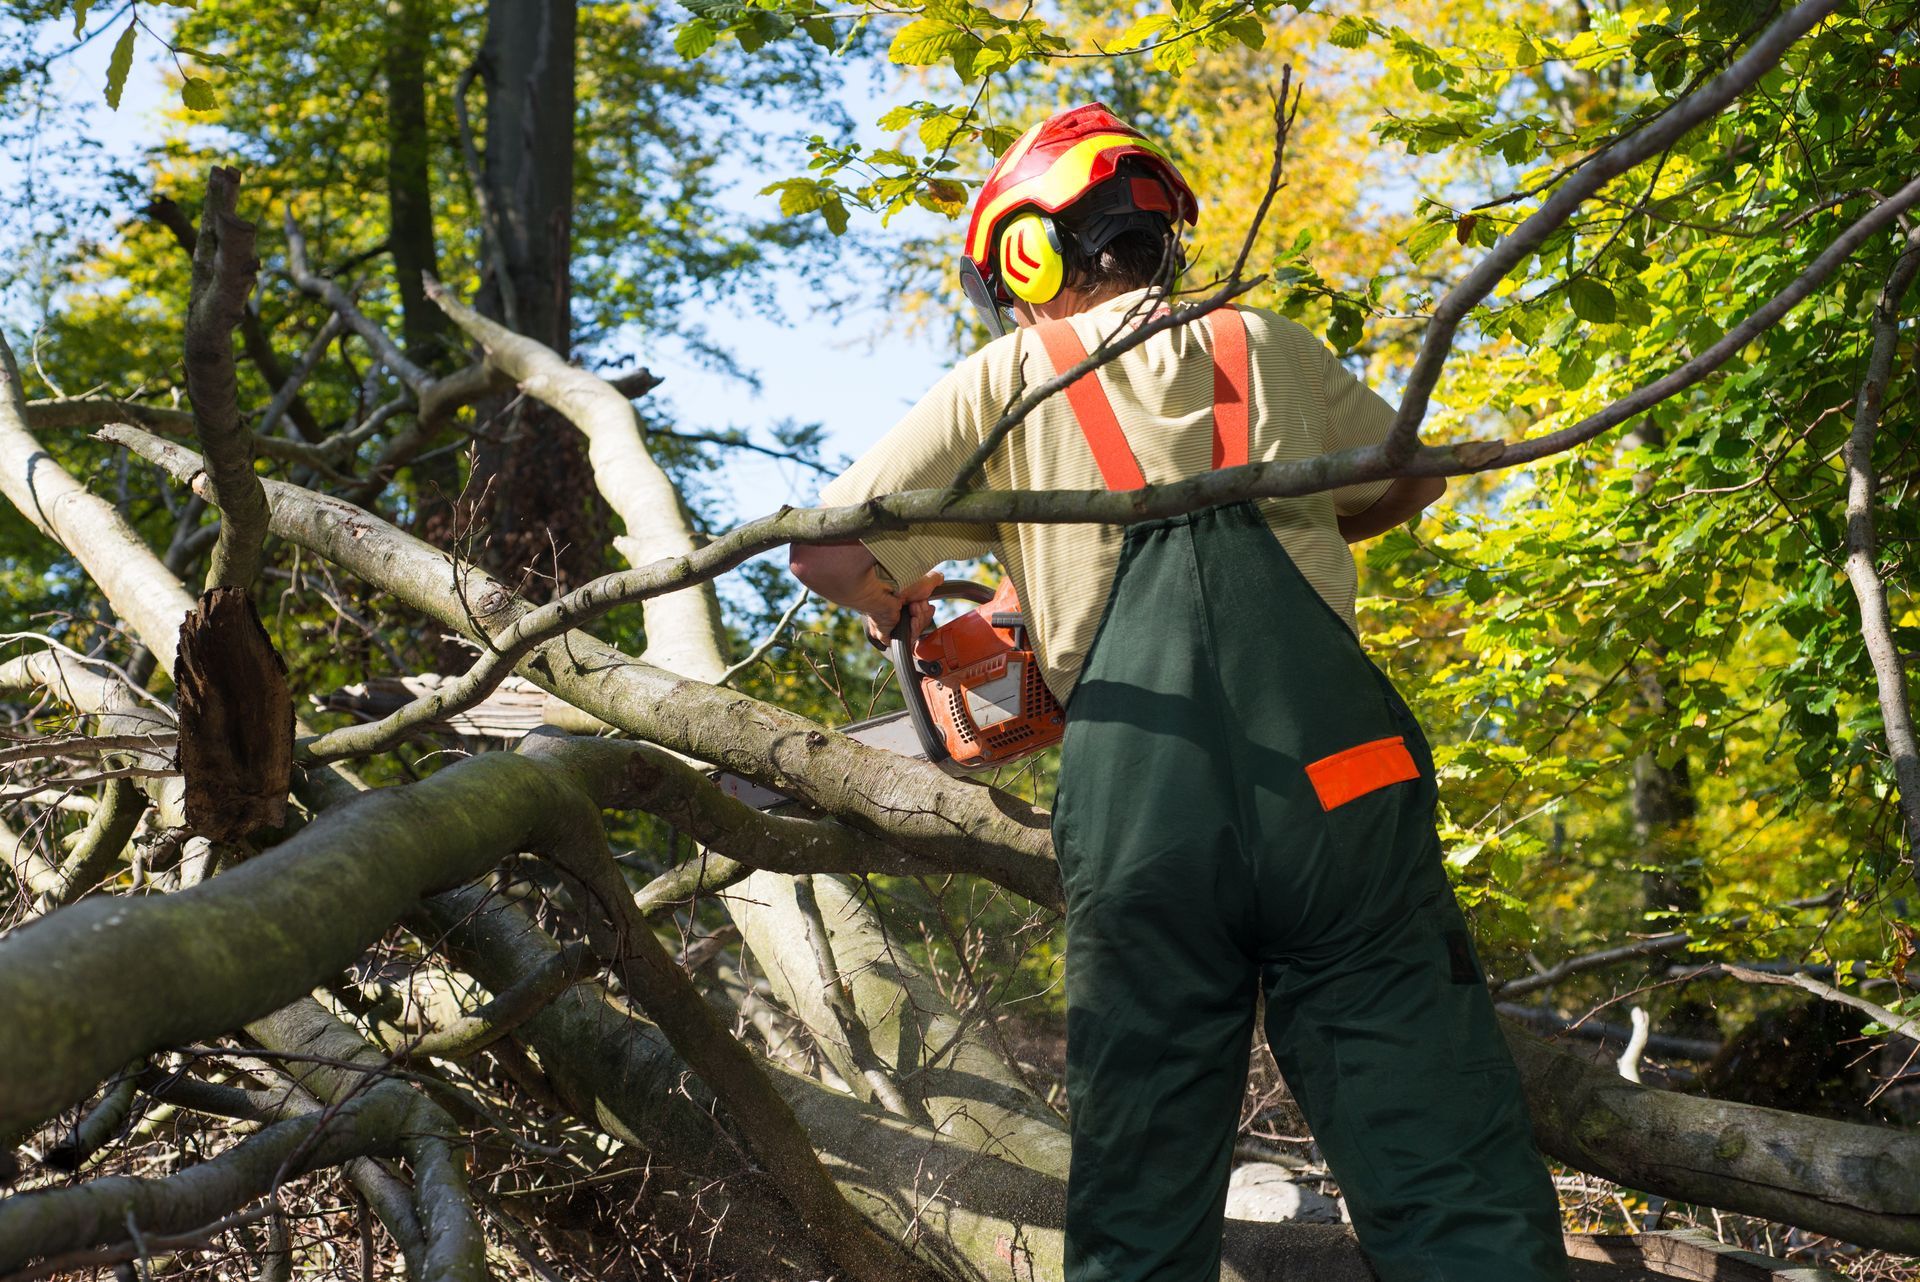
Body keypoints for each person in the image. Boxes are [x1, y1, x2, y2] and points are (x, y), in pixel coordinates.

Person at [788, 102, 1569, 1282]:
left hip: (1149, 805)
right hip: (1338, 785)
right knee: (1439, 1147)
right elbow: (1410, 479)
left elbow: (828, 552)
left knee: (1143, 1169)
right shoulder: (1270, 344)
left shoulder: (1006, 378)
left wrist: (930, 593)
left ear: (1030, 254)